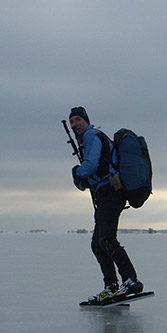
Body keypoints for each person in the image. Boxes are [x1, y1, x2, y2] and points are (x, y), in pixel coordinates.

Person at [68, 106, 143, 302]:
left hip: (112, 192)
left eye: (78, 120)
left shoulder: (92, 135)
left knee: (107, 239)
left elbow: (91, 165)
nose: (75, 124)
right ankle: (111, 285)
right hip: (103, 194)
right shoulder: (87, 140)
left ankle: (130, 280)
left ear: (86, 120)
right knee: (97, 244)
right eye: (72, 121)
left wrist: (77, 172)